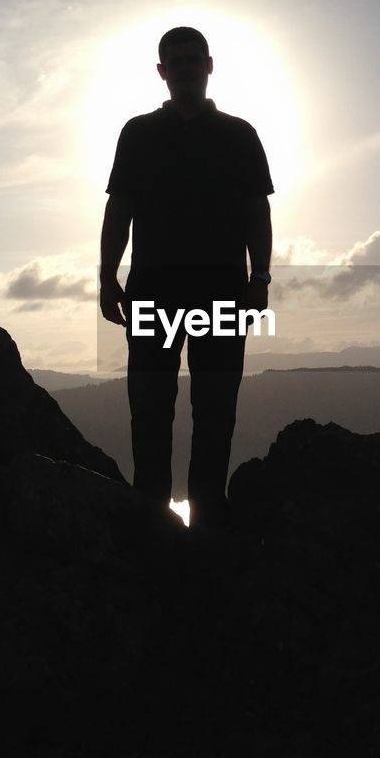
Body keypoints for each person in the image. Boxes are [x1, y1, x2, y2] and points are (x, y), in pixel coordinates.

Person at [98, 26, 273, 531]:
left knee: (215, 411)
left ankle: (209, 519)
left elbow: (254, 210)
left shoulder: (240, 135)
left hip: (222, 291)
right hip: (152, 289)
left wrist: (259, 276)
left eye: (193, 59)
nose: (186, 68)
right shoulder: (137, 133)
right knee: (149, 411)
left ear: (210, 65)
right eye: (176, 61)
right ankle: (151, 519)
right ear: (162, 71)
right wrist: (108, 278)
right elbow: (120, 209)